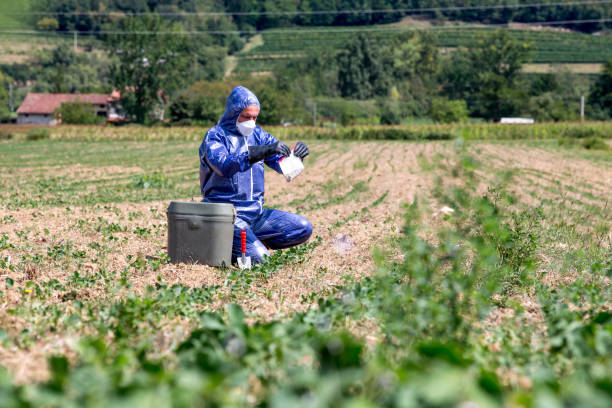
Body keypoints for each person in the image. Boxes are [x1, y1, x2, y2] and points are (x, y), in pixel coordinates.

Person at [198, 86, 312, 264]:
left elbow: (283, 165)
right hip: (227, 215)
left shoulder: (258, 135)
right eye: (246, 116)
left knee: (302, 228)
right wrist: (258, 152)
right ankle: (224, 244)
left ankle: (250, 242)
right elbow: (223, 165)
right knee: (261, 260)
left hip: (255, 214)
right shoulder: (215, 136)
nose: (251, 122)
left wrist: (297, 156)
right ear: (233, 113)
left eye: (254, 117)